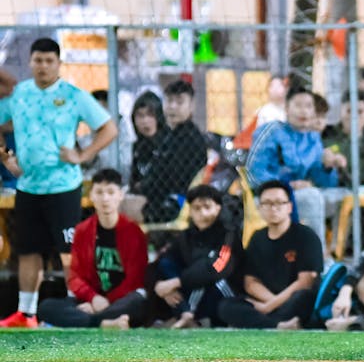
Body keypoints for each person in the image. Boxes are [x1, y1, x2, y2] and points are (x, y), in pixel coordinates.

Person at [0, 38, 118, 328]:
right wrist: (5, 157)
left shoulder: (73, 95)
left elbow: (108, 128)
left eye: (49, 61)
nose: (43, 66)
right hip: (28, 188)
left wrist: (82, 154)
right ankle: (26, 314)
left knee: (68, 253)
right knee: (27, 252)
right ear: (30, 63)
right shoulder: (19, 95)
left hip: (64, 187)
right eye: (38, 60)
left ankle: (72, 311)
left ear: (58, 64)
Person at [37, 169, 148, 329]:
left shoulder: (133, 232)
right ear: (91, 196)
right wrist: (93, 299)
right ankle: (103, 323)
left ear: (120, 195)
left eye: (110, 192)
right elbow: (75, 277)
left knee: (138, 302)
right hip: (92, 300)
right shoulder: (82, 231)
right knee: (46, 307)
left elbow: (135, 279)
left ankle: (89, 320)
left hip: (121, 300)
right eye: (99, 192)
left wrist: (106, 302)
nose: (105, 198)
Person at [246, 87, 346, 252]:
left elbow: (322, 181)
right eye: (298, 105)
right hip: (266, 196)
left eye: (308, 106)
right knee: (312, 197)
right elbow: (254, 171)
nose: (304, 111)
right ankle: (317, 257)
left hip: (300, 195)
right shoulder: (272, 131)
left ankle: (338, 250)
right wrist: (287, 186)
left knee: (343, 197)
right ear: (287, 108)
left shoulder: (313, 138)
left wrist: (327, 167)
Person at [217, 180, 323, 330]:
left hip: (292, 300)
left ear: (289, 207)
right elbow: (250, 282)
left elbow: (305, 282)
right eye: (267, 203)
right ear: (260, 208)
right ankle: (278, 324)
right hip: (266, 301)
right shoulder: (257, 238)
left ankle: (264, 322)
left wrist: (269, 306)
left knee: (304, 297)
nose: (273, 208)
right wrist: (270, 303)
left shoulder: (306, 236)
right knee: (226, 306)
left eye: (279, 203)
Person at [153, 184, 243, 328]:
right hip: (194, 294)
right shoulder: (185, 236)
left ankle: (188, 314)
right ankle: (185, 314)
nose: (202, 213)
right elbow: (163, 261)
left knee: (203, 276)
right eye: (197, 208)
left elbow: (218, 267)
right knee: (166, 265)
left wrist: (178, 282)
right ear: (190, 211)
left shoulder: (228, 235)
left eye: (207, 207)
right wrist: (161, 286)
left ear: (218, 208)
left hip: (222, 293)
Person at [140, 80, 208, 223]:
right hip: (161, 199)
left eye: (179, 102)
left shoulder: (190, 138)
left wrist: (143, 189)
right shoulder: (167, 135)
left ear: (191, 106)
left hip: (178, 203)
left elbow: (171, 178)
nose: (173, 107)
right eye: (169, 101)